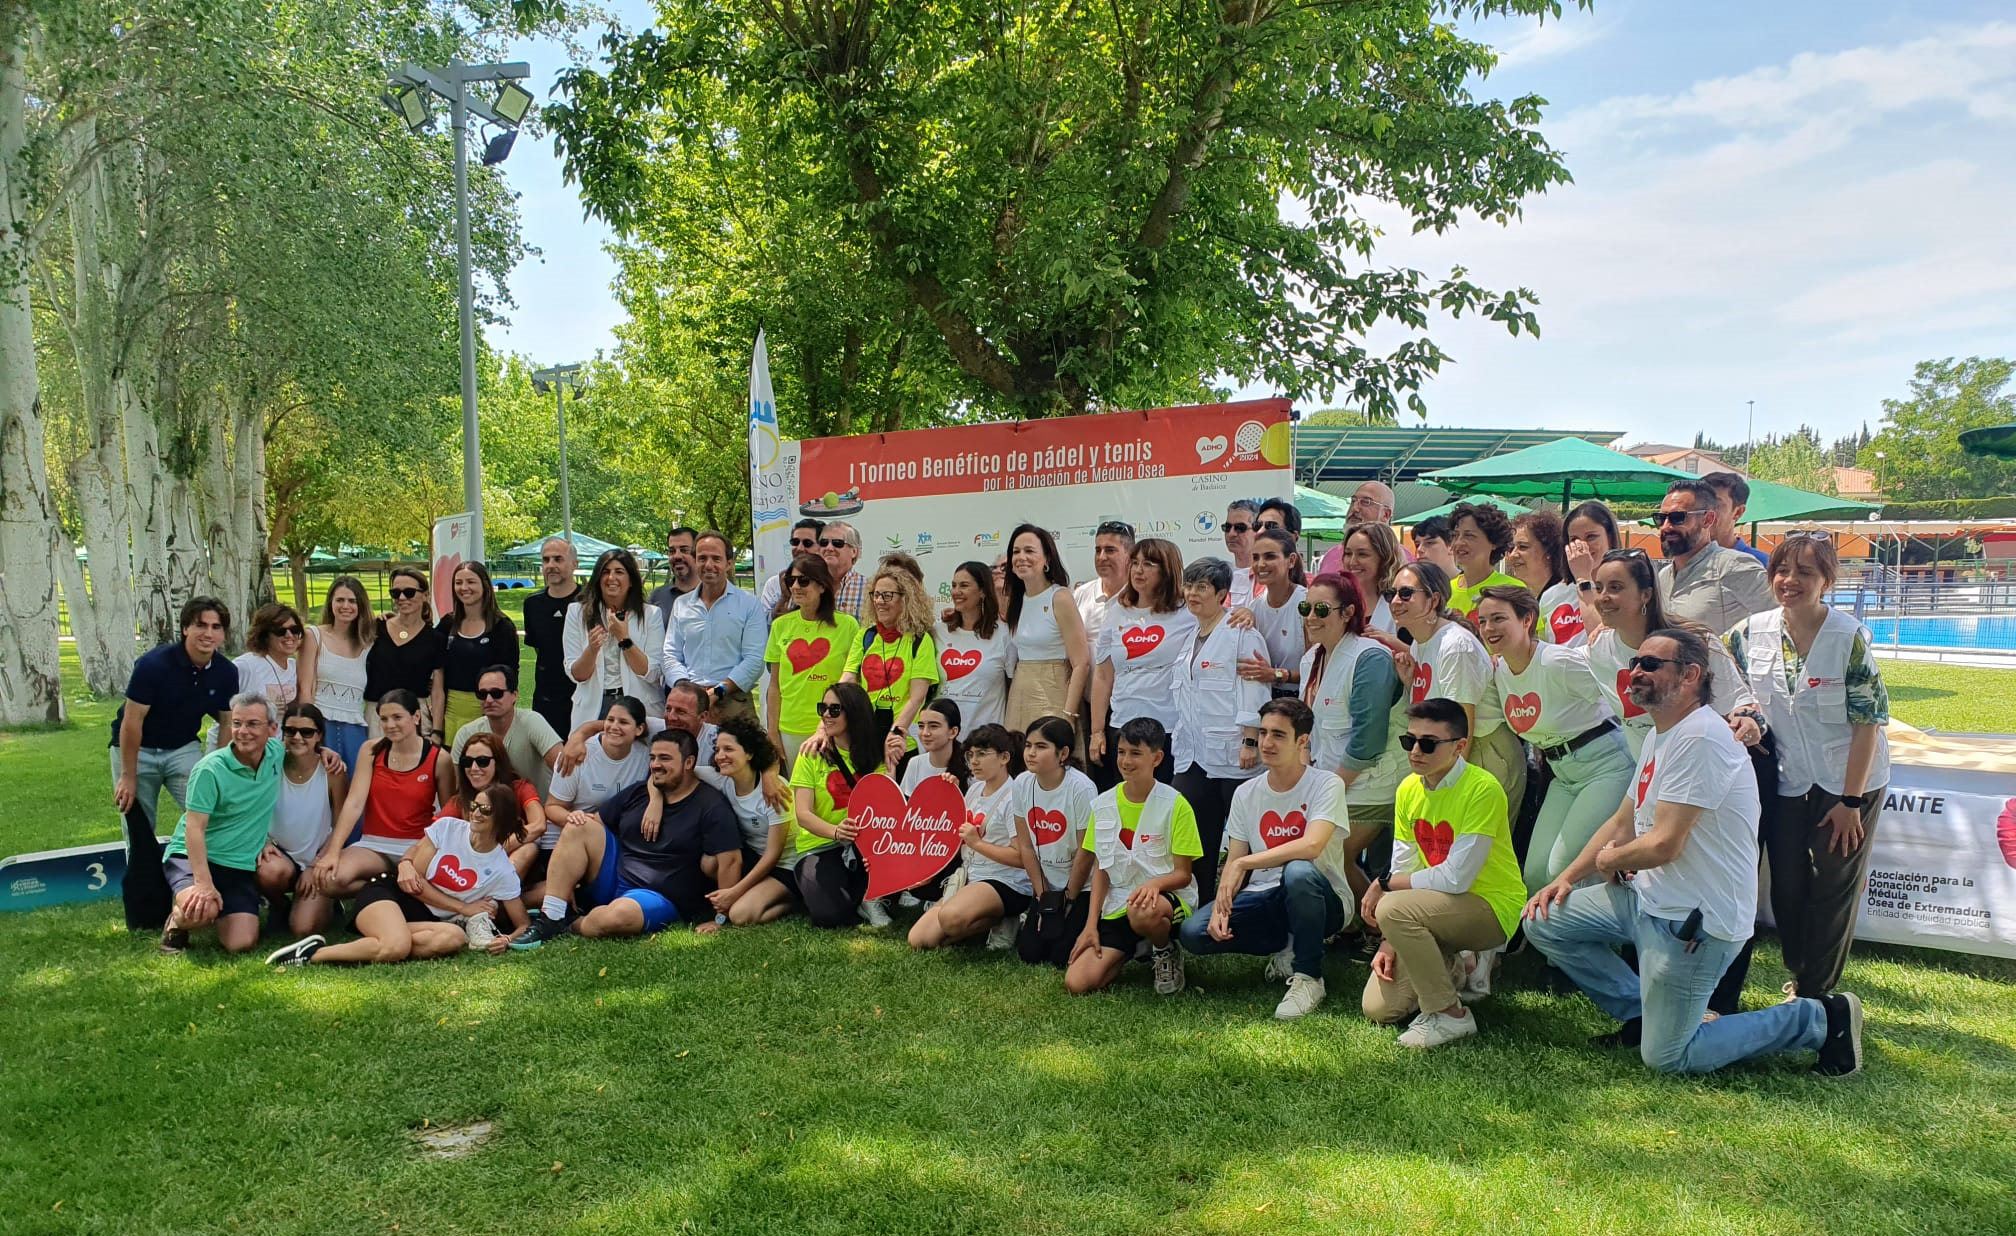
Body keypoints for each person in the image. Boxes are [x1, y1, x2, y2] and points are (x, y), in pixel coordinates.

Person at [1524, 629, 1865, 1076]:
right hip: (1650, 901)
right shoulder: (1660, 735)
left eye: (1650, 665)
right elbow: (1622, 823)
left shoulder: (1701, 739)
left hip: (1695, 922)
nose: (1636, 673)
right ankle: (1643, 1014)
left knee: (1667, 1058)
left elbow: (1665, 844)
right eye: (1635, 664)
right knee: (1544, 921)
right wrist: (1565, 879)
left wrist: (1611, 861)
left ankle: (1818, 1017)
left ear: (1690, 675)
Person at [1725, 535, 1890, 1000]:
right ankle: (1800, 967)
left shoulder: (1847, 637)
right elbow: (1722, 683)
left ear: (1827, 582)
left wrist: (1850, 801)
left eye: (1805, 573)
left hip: (1851, 781)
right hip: (1787, 779)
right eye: (1782, 570)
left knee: (1834, 885)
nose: (1790, 581)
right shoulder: (1747, 632)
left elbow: (1868, 723)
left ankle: (1815, 994)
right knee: (1788, 887)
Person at [1360, 698, 1527, 1047]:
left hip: (1491, 907)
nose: (1415, 751)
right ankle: (1456, 966)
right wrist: (1391, 939)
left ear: (1460, 747)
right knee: (1378, 1009)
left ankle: (1449, 1015)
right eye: (1410, 741)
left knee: (1390, 906)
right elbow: (1407, 863)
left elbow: (1456, 879)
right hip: (1435, 907)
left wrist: (1384, 884)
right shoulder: (1408, 788)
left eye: (1428, 743)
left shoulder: (1483, 789)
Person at [1177, 699, 1350, 1020]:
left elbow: (1312, 846)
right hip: (1265, 897)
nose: (1266, 743)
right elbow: (1236, 858)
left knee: (1298, 872)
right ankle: (1286, 943)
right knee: (1194, 933)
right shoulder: (1246, 793)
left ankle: (1309, 976)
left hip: (1324, 898)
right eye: (1263, 733)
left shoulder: (1327, 784)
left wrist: (1244, 864)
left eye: (1279, 735)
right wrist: (1220, 905)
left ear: (1302, 741)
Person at [513, 727, 744, 946]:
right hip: (614, 875)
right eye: (652, 758)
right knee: (579, 824)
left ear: (689, 763)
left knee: (614, 918)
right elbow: (596, 826)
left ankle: (571, 923)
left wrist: (720, 918)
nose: (655, 765)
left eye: (664, 758)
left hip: (657, 895)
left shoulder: (711, 806)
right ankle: (551, 917)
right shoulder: (640, 792)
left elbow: (731, 860)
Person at [1475, 586, 1633, 892]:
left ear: (1527, 620)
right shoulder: (1501, 670)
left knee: (1562, 871)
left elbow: (1623, 703)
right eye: (1482, 621)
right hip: (1562, 774)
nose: (1488, 628)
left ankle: (1605, 930)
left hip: (1607, 766)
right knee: (1534, 874)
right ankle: (1552, 936)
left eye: (1498, 618)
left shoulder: (1557, 662)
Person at [268, 783, 530, 965]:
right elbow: (413, 882)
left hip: (424, 920)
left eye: (485, 810)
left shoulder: (501, 870)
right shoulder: (449, 828)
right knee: (397, 946)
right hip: (389, 894)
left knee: (455, 938)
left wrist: (507, 939)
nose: (475, 813)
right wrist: (464, 907)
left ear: (502, 818)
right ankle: (314, 954)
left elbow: (522, 924)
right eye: (475, 805)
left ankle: (383, 938)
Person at [111, 596, 238, 929]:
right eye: (200, 625)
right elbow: (131, 722)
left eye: (216, 627)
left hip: (182, 748)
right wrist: (128, 776)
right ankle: (144, 908)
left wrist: (218, 772)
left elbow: (226, 723)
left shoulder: (226, 672)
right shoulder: (154, 665)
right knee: (139, 831)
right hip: (137, 750)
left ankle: (207, 890)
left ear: (223, 634)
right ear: (185, 628)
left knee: (211, 816)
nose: (208, 633)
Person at [1584, 550, 1763, 761]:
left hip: (1705, 768)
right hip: (1648, 776)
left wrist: (1746, 720)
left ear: (1646, 595)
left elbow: (1737, 702)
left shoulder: (1697, 642)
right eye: (1599, 587)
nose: (1603, 597)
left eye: (1616, 588)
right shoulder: (1598, 651)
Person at [1065, 718, 1200, 996]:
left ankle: (1164, 949)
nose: (1126, 761)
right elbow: (1102, 868)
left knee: (1142, 911)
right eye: (1122, 752)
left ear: (1157, 758)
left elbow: (1183, 874)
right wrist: (1091, 925)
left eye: (1136, 753)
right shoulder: (1102, 804)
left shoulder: (1176, 804)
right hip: (1119, 902)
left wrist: (1153, 885)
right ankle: (1134, 947)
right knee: (1077, 983)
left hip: (1163, 901)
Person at [1298, 573, 1404, 914]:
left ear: (1348, 613)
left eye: (1321, 609)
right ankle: (1355, 920)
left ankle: (1379, 923)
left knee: (1330, 852)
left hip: (1372, 782)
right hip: (1335, 780)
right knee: (1323, 853)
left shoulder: (1369, 658)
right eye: (1306, 608)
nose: (1311, 617)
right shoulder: (1312, 658)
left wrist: (1327, 790)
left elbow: (1367, 740)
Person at [1387, 561, 1525, 810]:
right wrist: (1410, 682)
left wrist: (1450, 788)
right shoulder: (1422, 643)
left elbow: (1463, 725)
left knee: (1483, 848)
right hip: (1447, 752)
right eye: (1391, 593)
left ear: (1433, 600)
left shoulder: (1454, 647)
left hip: (1482, 753)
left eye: (1406, 593)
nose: (1395, 601)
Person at [1170, 557, 1269, 903]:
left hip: (1234, 754)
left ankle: (1246, 904)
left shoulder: (1241, 633)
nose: (1192, 594)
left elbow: (1255, 690)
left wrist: (1250, 739)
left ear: (1223, 594)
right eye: (1189, 586)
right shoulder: (1190, 636)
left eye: (1202, 587)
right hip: (1194, 754)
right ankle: (1200, 901)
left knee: (1243, 835)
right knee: (1194, 832)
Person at [156, 692, 284, 955]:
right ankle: (177, 921)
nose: (242, 731)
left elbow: (304, 754)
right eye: (236, 723)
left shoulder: (276, 754)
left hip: (237, 865)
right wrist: (203, 883)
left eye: (252, 724)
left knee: (241, 943)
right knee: (203, 910)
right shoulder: (209, 769)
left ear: (272, 729)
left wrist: (325, 753)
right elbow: (194, 828)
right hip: (193, 857)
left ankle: (223, 908)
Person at [307, 689, 453, 898]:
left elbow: (448, 817)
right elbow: (355, 803)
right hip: (374, 845)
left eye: (397, 717)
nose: (390, 725)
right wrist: (333, 852)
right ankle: (389, 886)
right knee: (330, 879)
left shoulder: (439, 759)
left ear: (416, 717)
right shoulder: (370, 751)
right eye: (384, 719)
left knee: (436, 884)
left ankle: (387, 887)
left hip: (416, 847)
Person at [908, 723, 1029, 951]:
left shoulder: (1014, 797)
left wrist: (977, 844)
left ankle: (1007, 917)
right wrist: (927, 870)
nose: (974, 761)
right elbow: (954, 835)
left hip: (1006, 881)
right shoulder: (974, 789)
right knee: (919, 940)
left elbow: (1021, 857)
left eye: (982, 754)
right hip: (971, 875)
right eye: (970, 754)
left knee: (951, 919)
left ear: (1004, 758)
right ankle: (994, 920)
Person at [1088, 538, 1195, 788]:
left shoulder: (1186, 612)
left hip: (1168, 727)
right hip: (1123, 725)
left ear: (1167, 570)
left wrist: (1246, 614)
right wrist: (1097, 732)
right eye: (1134, 563)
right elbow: (1103, 675)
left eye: (1148, 564)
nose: (1138, 570)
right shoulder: (1116, 610)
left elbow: (1222, 620)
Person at [788, 683, 888, 928]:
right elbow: (802, 814)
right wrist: (835, 831)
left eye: (834, 709)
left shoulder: (874, 755)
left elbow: (885, 809)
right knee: (830, 916)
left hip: (864, 844)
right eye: (823, 708)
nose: (825, 715)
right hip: (820, 845)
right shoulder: (811, 753)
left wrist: (892, 770)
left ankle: (865, 895)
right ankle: (853, 895)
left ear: (853, 712)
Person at [542, 696, 655, 892]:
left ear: (639, 729)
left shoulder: (644, 758)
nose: (614, 727)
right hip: (564, 835)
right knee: (570, 888)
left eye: (624, 722)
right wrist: (572, 817)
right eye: (610, 720)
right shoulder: (577, 755)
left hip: (606, 838)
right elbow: (552, 807)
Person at [1011, 716, 1098, 967]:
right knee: (1030, 953)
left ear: (1063, 753)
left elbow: (1086, 851)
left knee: (1062, 957)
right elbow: (1026, 845)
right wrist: (1043, 898)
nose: (1030, 753)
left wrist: (1068, 902)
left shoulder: (1081, 788)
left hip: (1082, 887)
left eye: (1041, 747)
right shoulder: (1022, 783)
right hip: (1047, 886)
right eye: (1028, 745)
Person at [255, 702, 347, 938]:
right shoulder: (269, 763)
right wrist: (263, 842)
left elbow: (340, 825)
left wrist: (317, 864)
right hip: (280, 856)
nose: (297, 737)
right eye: (290, 731)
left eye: (306, 732)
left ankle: (328, 900)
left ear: (319, 736)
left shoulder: (332, 771)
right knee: (268, 871)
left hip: (319, 856)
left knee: (303, 929)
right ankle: (279, 904)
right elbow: (252, 810)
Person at [699, 716, 800, 926]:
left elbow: (774, 855)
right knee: (709, 863)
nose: (720, 756)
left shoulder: (775, 790)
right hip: (754, 857)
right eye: (717, 750)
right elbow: (680, 769)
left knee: (740, 915)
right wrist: (654, 799)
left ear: (749, 753)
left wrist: (734, 892)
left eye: (728, 749)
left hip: (786, 865)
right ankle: (756, 894)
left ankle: (796, 901)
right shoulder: (723, 779)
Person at [764, 553, 860, 766]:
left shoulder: (848, 626)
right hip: (789, 728)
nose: (796, 586)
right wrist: (772, 731)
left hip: (836, 728)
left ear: (822, 586)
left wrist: (831, 727)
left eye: (804, 580)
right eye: (791, 581)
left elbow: (853, 680)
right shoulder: (780, 626)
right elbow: (774, 686)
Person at [662, 530, 767, 711]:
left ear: (729, 564)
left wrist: (719, 691)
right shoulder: (682, 605)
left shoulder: (749, 605)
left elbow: (755, 659)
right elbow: (670, 653)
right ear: (695, 561)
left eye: (716, 559)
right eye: (702, 558)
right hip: (688, 701)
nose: (708, 565)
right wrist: (685, 687)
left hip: (733, 700)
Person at [564, 547, 667, 731]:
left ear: (631, 580)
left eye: (619, 572)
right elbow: (577, 674)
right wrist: (592, 648)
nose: (611, 578)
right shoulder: (576, 613)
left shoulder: (651, 614)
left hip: (638, 705)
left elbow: (652, 673)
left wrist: (624, 639)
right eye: (606, 572)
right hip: (594, 707)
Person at [1003, 524, 1091, 737]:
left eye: (1029, 551)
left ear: (1047, 559)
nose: (1021, 557)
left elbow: (1081, 663)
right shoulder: (1014, 600)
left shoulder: (1059, 597)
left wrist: (1069, 714)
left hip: (1054, 689)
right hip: (1020, 690)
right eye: (1016, 552)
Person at [1655, 479, 1773, 634]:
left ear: (1707, 519)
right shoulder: (1663, 577)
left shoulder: (1734, 567)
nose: (1666, 526)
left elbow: (1781, 620)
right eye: (1660, 518)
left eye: (1678, 517)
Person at [845, 566, 942, 754]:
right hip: (867, 738)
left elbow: (917, 697)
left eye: (887, 595)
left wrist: (895, 733)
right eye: (876, 595)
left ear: (905, 599)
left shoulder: (920, 640)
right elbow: (847, 679)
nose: (879, 601)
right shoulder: (865, 636)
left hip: (903, 742)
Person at [440, 731, 547, 884]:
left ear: (498, 762)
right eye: (467, 762)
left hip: (511, 870)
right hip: (469, 872)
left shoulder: (520, 788)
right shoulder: (459, 801)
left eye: (482, 761)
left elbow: (539, 825)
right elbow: (433, 834)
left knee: (529, 848)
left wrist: (494, 850)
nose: (474, 768)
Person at [449, 664, 564, 803]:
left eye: (496, 693)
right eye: (482, 694)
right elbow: (456, 787)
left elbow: (563, 769)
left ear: (514, 695)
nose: (489, 700)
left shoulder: (532, 722)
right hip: (485, 816)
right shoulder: (466, 733)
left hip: (537, 811)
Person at [434, 561, 519, 742]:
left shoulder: (501, 627)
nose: (464, 588)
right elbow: (428, 654)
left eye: (471, 582)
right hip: (451, 713)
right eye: (458, 582)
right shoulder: (447, 625)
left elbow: (510, 676)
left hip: (488, 712)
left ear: (485, 585)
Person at [297, 576, 372, 771]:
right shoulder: (314, 636)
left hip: (355, 727)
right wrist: (308, 731)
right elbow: (305, 688)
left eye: (352, 601)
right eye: (340, 600)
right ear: (331, 603)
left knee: (353, 785)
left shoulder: (368, 643)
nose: (345, 606)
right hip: (321, 725)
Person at [363, 566, 444, 740]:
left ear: (425, 595)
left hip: (416, 718)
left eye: (409, 592)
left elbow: (437, 691)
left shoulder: (435, 639)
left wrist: (437, 731)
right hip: (377, 717)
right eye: (395, 593)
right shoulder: (376, 629)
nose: (401, 598)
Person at [935, 560, 1016, 731]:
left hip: (986, 738)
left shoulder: (1004, 634)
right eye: (954, 585)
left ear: (983, 591)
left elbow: (1012, 689)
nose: (956, 592)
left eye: (964, 585)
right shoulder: (938, 631)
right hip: (944, 738)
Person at [522, 536, 583, 737]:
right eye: (546, 560)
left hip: (581, 698)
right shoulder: (533, 604)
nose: (551, 565)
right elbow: (538, 646)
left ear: (575, 564)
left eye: (558, 559)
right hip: (545, 699)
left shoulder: (589, 602)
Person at [1234, 527, 1307, 694]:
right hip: (1264, 698)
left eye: (1270, 556)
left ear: (1291, 560)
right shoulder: (1254, 607)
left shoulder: (1305, 604)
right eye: (1256, 557)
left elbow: (1320, 669)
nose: (1261, 564)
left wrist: (1277, 675)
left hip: (1300, 701)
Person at [1505, 511, 1585, 645]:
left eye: (1523, 547)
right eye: (1511, 548)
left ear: (1548, 551)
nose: (1513, 554)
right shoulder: (1525, 599)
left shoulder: (1570, 596)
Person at [1446, 501, 1521, 621]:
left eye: (1469, 536)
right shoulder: (1445, 590)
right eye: (1455, 535)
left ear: (1494, 542)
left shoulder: (1512, 589)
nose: (1459, 542)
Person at [1073, 519, 1135, 654]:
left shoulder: (1141, 596)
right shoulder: (1081, 594)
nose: (1101, 557)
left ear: (1130, 555)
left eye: (1110, 550)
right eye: (1097, 550)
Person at [1335, 521, 1402, 639]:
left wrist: (1390, 641)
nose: (1352, 562)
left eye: (1362, 554)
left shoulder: (1402, 604)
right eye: (1348, 553)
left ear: (1384, 558)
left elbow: (1419, 654)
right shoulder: (1336, 600)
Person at [233, 603, 303, 712]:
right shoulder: (245, 665)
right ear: (264, 635)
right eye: (280, 631)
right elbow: (222, 709)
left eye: (294, 629)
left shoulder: (295, 667)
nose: (289, 635)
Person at [1315, 481, 1397, 575]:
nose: (1355, 508)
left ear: (1386, 514)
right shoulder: (1331, 556)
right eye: (1353, 501)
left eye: (1366, 502)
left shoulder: (1403, 559)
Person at [893, 698, 969, 793]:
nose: (925, 733)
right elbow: (908, 805)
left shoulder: (972, 766)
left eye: (933, 726)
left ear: (953, 732)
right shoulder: (915, 763)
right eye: (921, 726)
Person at [1701, 472, 1771, 567]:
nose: (1704, 511)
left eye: (1715, 504)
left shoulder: (1761, 565)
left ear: (1738, 512)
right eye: (1699, 503)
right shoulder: (1681, 561)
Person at [758, 518, 826, 615]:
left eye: (807, 543)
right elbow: (765, 625)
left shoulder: (831, 580)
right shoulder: (775, 583)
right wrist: (785, 597)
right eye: (795, 542)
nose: (800, 548)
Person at [646, 524, 699, 626]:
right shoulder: (656, 598)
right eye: (672, 551)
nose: (677, 556)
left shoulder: (711, 596)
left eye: (684, 550)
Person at [1564, 500, 1621, 590]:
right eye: (1574, 539)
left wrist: (1583, 579)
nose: (1582, 546)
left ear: (1609, 537)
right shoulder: (1555, 595)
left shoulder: (1628, 590)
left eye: (1591, 537)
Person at [818, 521, 868, 621]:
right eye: (824, 543)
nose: (829, 548)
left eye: (837, 543)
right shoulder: (805, 584)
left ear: (854, 551)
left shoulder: (869, 588)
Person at [1223, 498, 1262, 605]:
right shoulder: (1221, 574)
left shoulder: (1267, 576)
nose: (1231, 534)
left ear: (1257, 531)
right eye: (1227, 527)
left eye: (1240, 528)